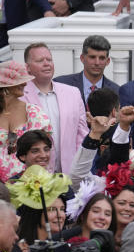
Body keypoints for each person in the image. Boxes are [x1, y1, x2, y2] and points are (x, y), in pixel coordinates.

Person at [21, 43, 88, 174]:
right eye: (40, 60)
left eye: (49, 59)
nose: (47, 64)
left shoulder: (73, 93)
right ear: (28, 68)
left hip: (69, 175)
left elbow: (82, 136)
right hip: (33, 177)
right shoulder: (19, 96)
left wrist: (79, 170)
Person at [0, 61, 52, 182]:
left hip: (29, 183)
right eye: (19, 80)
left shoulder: (34, 113)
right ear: (4, 84)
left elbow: (44, 152)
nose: (24, 83)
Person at [54, 35, 121, 100]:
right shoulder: (62, 84)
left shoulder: (116, 91)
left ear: (108, 61)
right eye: (92, 57)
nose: (97, 63)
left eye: (102, 58)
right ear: (82, 58)